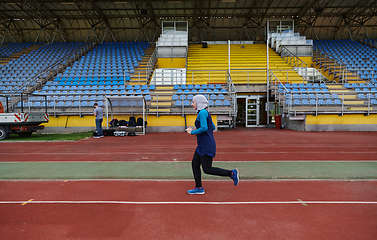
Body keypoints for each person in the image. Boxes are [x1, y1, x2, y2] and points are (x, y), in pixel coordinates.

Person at [185, 94, 239, 194]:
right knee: (195, 164)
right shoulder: (205, 113)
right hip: (202, 145)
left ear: (199, 102)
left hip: (206, 145)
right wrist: (200, 134)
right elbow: (212, 127)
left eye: (193, 102)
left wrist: (192, 132)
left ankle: (231, 173)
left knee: (207, 169)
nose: (191, 104)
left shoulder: (202, 113)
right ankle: (199, 188)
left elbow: (205, 128)